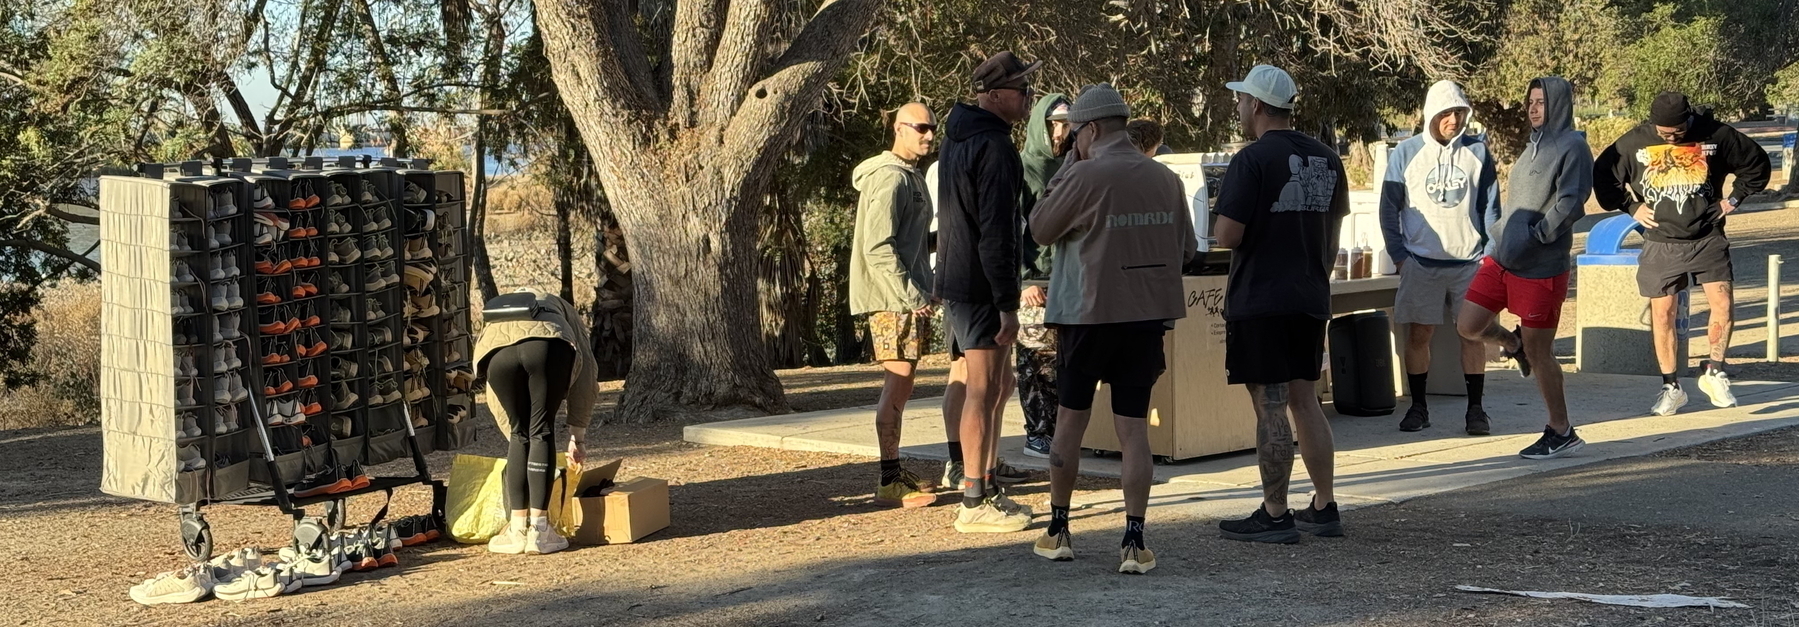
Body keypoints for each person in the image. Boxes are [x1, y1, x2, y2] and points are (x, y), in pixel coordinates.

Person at [1026, 84, 1196, 574]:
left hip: (1086, 316)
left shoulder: (1083, 174)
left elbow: (1039, 229)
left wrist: (1066, 173)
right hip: (1144, 319)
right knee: (1134, 429)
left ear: (1091, 129)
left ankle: (1058, 530)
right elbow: (1186, 249)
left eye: (1075, 132)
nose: (1071, 141)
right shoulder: (1166, 179)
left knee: (1070, 423)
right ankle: (1134, 541)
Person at [1211, 64, 1349, 544]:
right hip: (1309, 294)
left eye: (1242, 100)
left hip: (1260, 298)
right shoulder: (1329, 158)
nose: (1240, 108)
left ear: (1257, 105)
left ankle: (1274, 512)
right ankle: (1324, 504)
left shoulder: (1251, 160)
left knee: (1269, 403)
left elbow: (1227, 234)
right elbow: (1333, 234)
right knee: (1305, 398)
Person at [1594, 91, 1771, 415]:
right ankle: (1671, 386)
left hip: (1707, 237)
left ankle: (1714, 371)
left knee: (1723, 305)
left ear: (1687, 120)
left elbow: (1756, 163)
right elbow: (1604, 175)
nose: (1671, 138)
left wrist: (1734, 199)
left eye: (1676, 133)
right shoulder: (1635, 142)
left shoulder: (1714, 134)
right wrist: (1631, 207)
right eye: (1664, 134)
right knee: (1663, 314)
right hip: (1661, 242)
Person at [1456, 76, 1592, 460]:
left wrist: (1538, 235)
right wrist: (1502, 238)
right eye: (1530, 101)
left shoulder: (1573, 147)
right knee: (1468, 324)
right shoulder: (1530, 147)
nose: (1533, 108)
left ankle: (1561, 430)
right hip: (1502, 258)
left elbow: (1571, 203)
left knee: (1540, 352)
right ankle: (1510, 343)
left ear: (1559, 105)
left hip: (1541, 267)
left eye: (1541, 102)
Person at [937, 51, 1039, 533]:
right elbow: (997, 231)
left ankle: (987, 486)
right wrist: (1007, 303)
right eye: (1022, 91)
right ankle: (974, 500)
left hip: (962, 280)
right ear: (995, 96)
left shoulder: (960, 136)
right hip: (980, 285)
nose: (1028, 98)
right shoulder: (994, 147)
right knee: (983, 389)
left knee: (999, 386)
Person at [1379, 80, 1500, 435]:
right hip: (1421, 261)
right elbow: (1389, 209)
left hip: (1470, 263)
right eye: (1446, 112)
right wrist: (1400, 256)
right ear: (1432, 113)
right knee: (1419, 335)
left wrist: (1490, 256)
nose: (1453, 119)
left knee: (1472, 335)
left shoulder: (1477, 152)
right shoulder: (1406, 153)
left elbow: (1490, 209)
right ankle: (1418, 407)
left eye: (1460, 112)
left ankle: (1476, 410)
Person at [849, 103, 942, 508]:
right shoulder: (889, 178)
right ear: (899, 128)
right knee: (897, 384)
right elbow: (878, 247)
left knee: (903, 385)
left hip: (907, 297)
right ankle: (889, 480)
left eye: (932, 128)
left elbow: (912, 243)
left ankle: (894, 471)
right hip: (893, 301)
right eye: (921, 128)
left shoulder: (911, 175)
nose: (929, 135)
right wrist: (911, 295)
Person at [474, 289, 599, 555]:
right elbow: (586, 370)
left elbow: (495, 398)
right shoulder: (559, 308)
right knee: (541, 431)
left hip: (495, 353)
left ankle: (517, 530)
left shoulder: (498, 315)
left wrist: (516, 439)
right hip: (548, 346)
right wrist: (578, 435)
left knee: (522, 435)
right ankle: (541, 532)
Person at [1016, 93, 1072, 460]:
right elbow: (1009, 228)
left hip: (1068, 279)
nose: (1061, 131)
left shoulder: (1073, 165)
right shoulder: (1022, 168)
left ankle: (1060, 432)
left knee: (1063, 362)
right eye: (1054, 122)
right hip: (1033, 279)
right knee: (1034, 361)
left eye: (1068, 123)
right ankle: (1037, 432)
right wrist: (1023, 282)